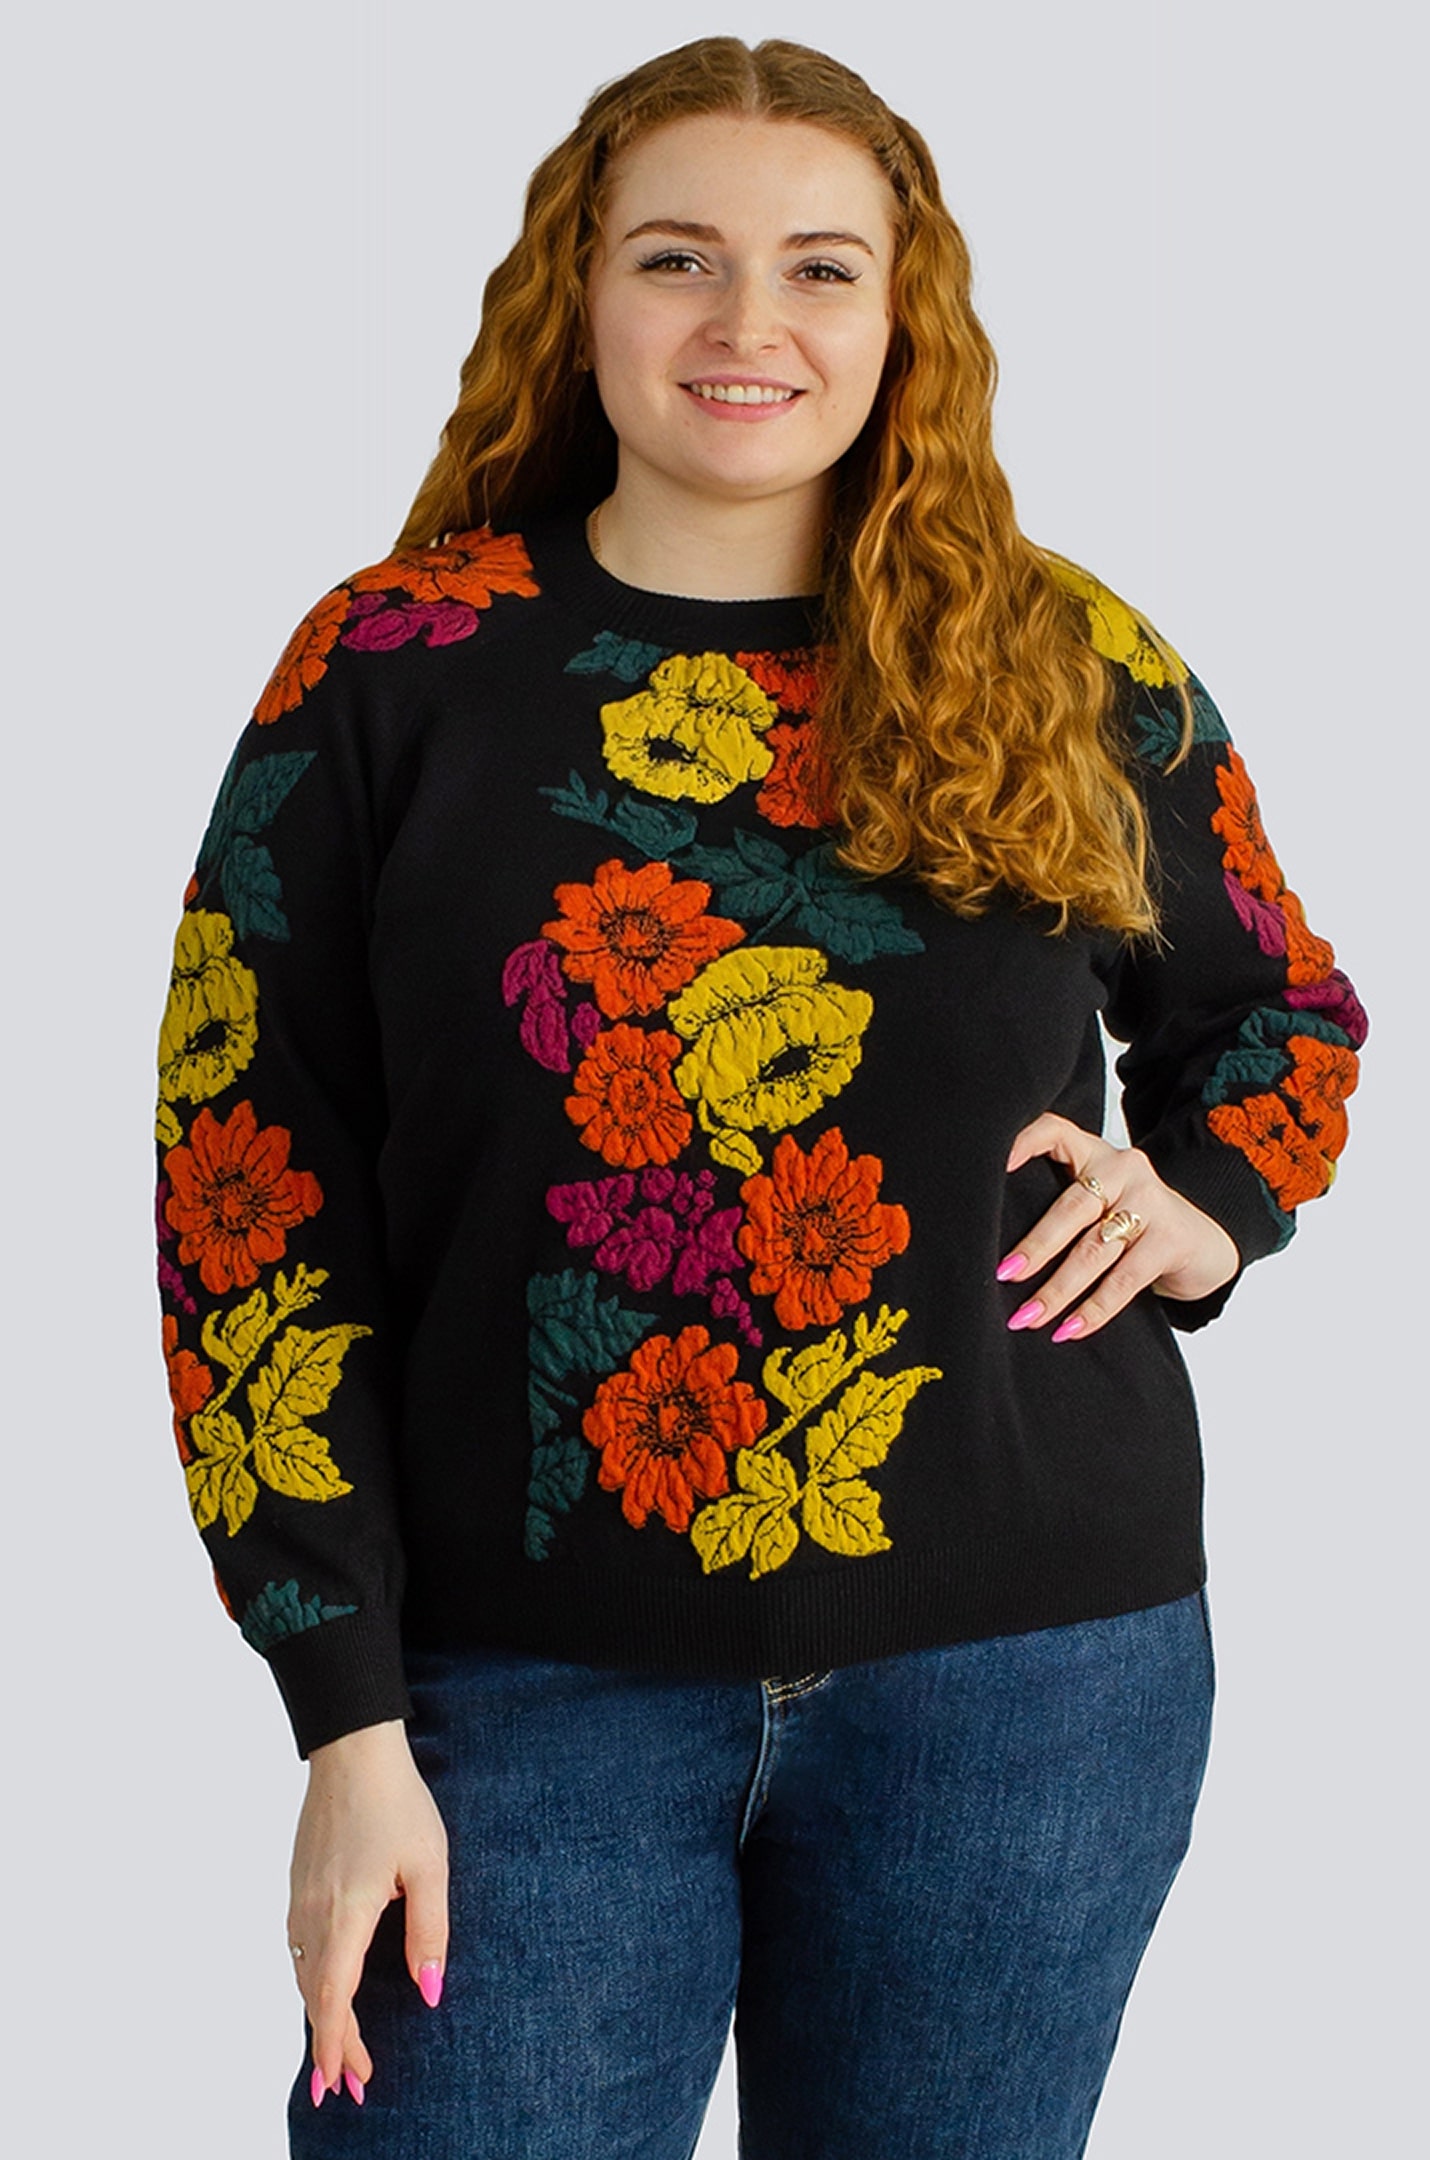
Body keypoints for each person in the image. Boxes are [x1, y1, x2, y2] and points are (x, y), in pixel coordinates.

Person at [154, 35, 1364, 2160]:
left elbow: (1282, 1010)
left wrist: (1205, 1206)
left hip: (1029, 1681)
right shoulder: (393, 665)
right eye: (676, 258)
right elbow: (244, 1186)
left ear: (903, 318)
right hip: (513, 1695)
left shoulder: (1062, 655)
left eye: (818, 267)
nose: (747, 324)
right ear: (578, 295)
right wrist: (341, 1715)